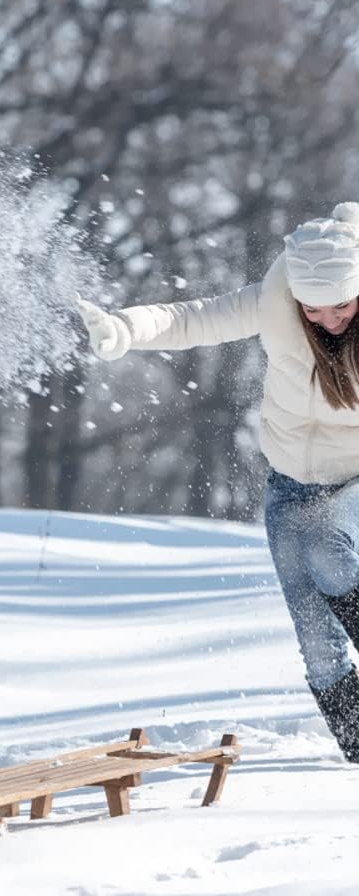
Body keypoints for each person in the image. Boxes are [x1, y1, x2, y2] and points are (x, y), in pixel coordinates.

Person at [77, 202, 359, 763]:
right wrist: (126, 329)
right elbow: (194, 318)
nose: (330, 320)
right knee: (317, 646)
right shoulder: (273, 302)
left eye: (344, 306)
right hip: (290, 483)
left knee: (327, 549)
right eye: (315, 309)